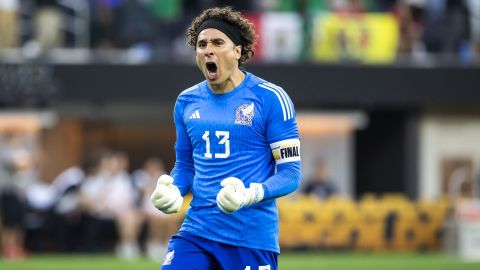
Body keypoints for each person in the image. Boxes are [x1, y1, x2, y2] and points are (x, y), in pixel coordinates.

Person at [150, 6, 301, 270]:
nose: (208, 50)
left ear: (238, 51)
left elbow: (290, 174)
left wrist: (250, 194)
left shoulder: (271, 98)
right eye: (201, 44)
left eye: (218, 42)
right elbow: (185, 166)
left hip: (251, 240)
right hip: (197, 233)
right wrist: (174, 189)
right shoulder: (186, 102)